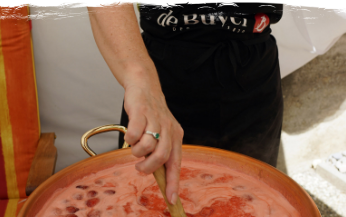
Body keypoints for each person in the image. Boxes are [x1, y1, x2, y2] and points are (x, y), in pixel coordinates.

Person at [84, 0, 287, 206]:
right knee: (144, 205)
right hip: (163, 76)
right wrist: (141, 81)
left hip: (252, 78)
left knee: (253, 205)